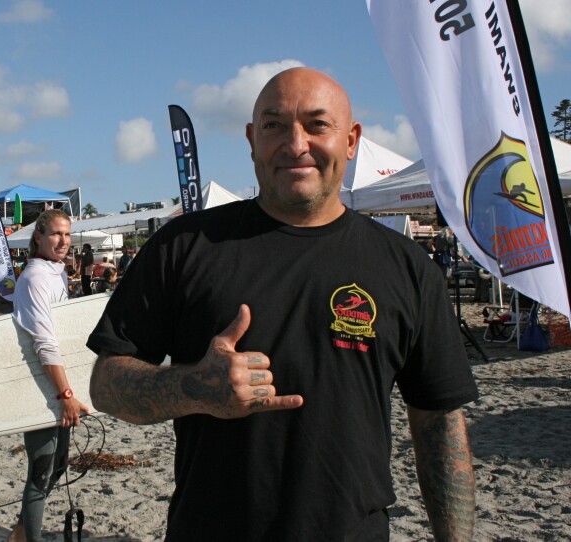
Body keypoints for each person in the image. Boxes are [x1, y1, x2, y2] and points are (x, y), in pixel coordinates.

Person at [87, 67, 478, 541]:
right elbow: (106, 385)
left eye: (317, 125)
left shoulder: (407, 267)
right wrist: (193, 387)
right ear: (252, 140)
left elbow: (439, 422)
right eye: (274, 126)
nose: (295, 145)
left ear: (351, 139)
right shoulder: (184, 247)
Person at [7, 209, 91, 542]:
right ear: (39, 237)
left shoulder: (56, 273)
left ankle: (19, 532)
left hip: (58, 385)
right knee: (41, 472)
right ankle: (28, 538)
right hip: (42, 389)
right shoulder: (35, 278)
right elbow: (44, 342)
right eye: (56, 234)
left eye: (67, 235)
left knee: (57, 467)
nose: (63, 241)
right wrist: (65, 395)